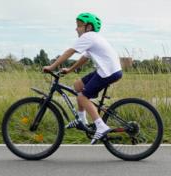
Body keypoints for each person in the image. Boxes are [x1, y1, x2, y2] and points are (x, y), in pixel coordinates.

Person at [42, 12, 123, 143]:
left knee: (82, 97)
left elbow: (70, 52)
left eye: (79, 25)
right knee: (78, 85)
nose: (76, 29)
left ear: (88, 27)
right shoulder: (94, 38)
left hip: (108, 72)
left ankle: (101, 126)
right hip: (108, 70)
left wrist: (52, 67)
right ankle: (82, 120)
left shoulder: (88, 36)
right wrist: (69, 70)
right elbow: (85, 57)